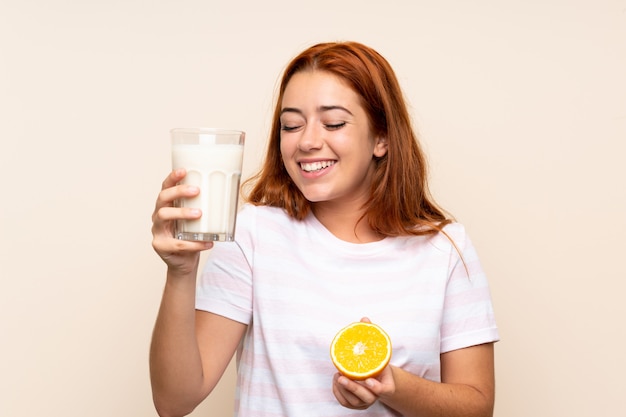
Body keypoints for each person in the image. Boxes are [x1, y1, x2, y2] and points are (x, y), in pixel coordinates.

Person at [150, 41, 499, 417]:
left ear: (381, 137)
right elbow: (175, 401)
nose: (308, 142)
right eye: (291, 125)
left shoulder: (444, 248)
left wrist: (391, 385)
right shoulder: (252, 233)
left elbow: (476, 407)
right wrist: (180, 273)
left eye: (333, 123)